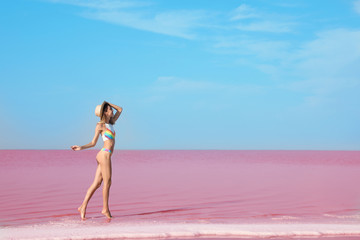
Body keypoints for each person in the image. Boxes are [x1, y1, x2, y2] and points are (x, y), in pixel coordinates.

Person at [71, 101, 123, 220]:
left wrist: (109, 103)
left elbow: (120, 109)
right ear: (105, 112)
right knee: (108, 182)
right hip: (104, 154)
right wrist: (81, 147)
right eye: (110, 109)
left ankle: (82, 206)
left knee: (97, 184)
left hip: (105, 155)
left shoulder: (111, 123)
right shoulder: (101, 125)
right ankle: (105, 209)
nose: (112, 111)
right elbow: (93, 142)